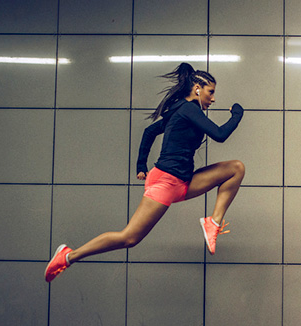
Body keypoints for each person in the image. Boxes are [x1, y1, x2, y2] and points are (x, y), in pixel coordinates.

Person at [45, 62, 245, 282]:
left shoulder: (180, 111)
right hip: (167, 181)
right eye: (211, 92)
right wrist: (237, 114)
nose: (213, 99)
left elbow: (150, 132)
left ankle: (213, 223)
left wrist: (141, 165)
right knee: (129, 238)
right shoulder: (188, 109)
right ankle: (69, 256)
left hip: (183, 182)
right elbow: (219, 134)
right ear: (197, 88)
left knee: (235, 169)